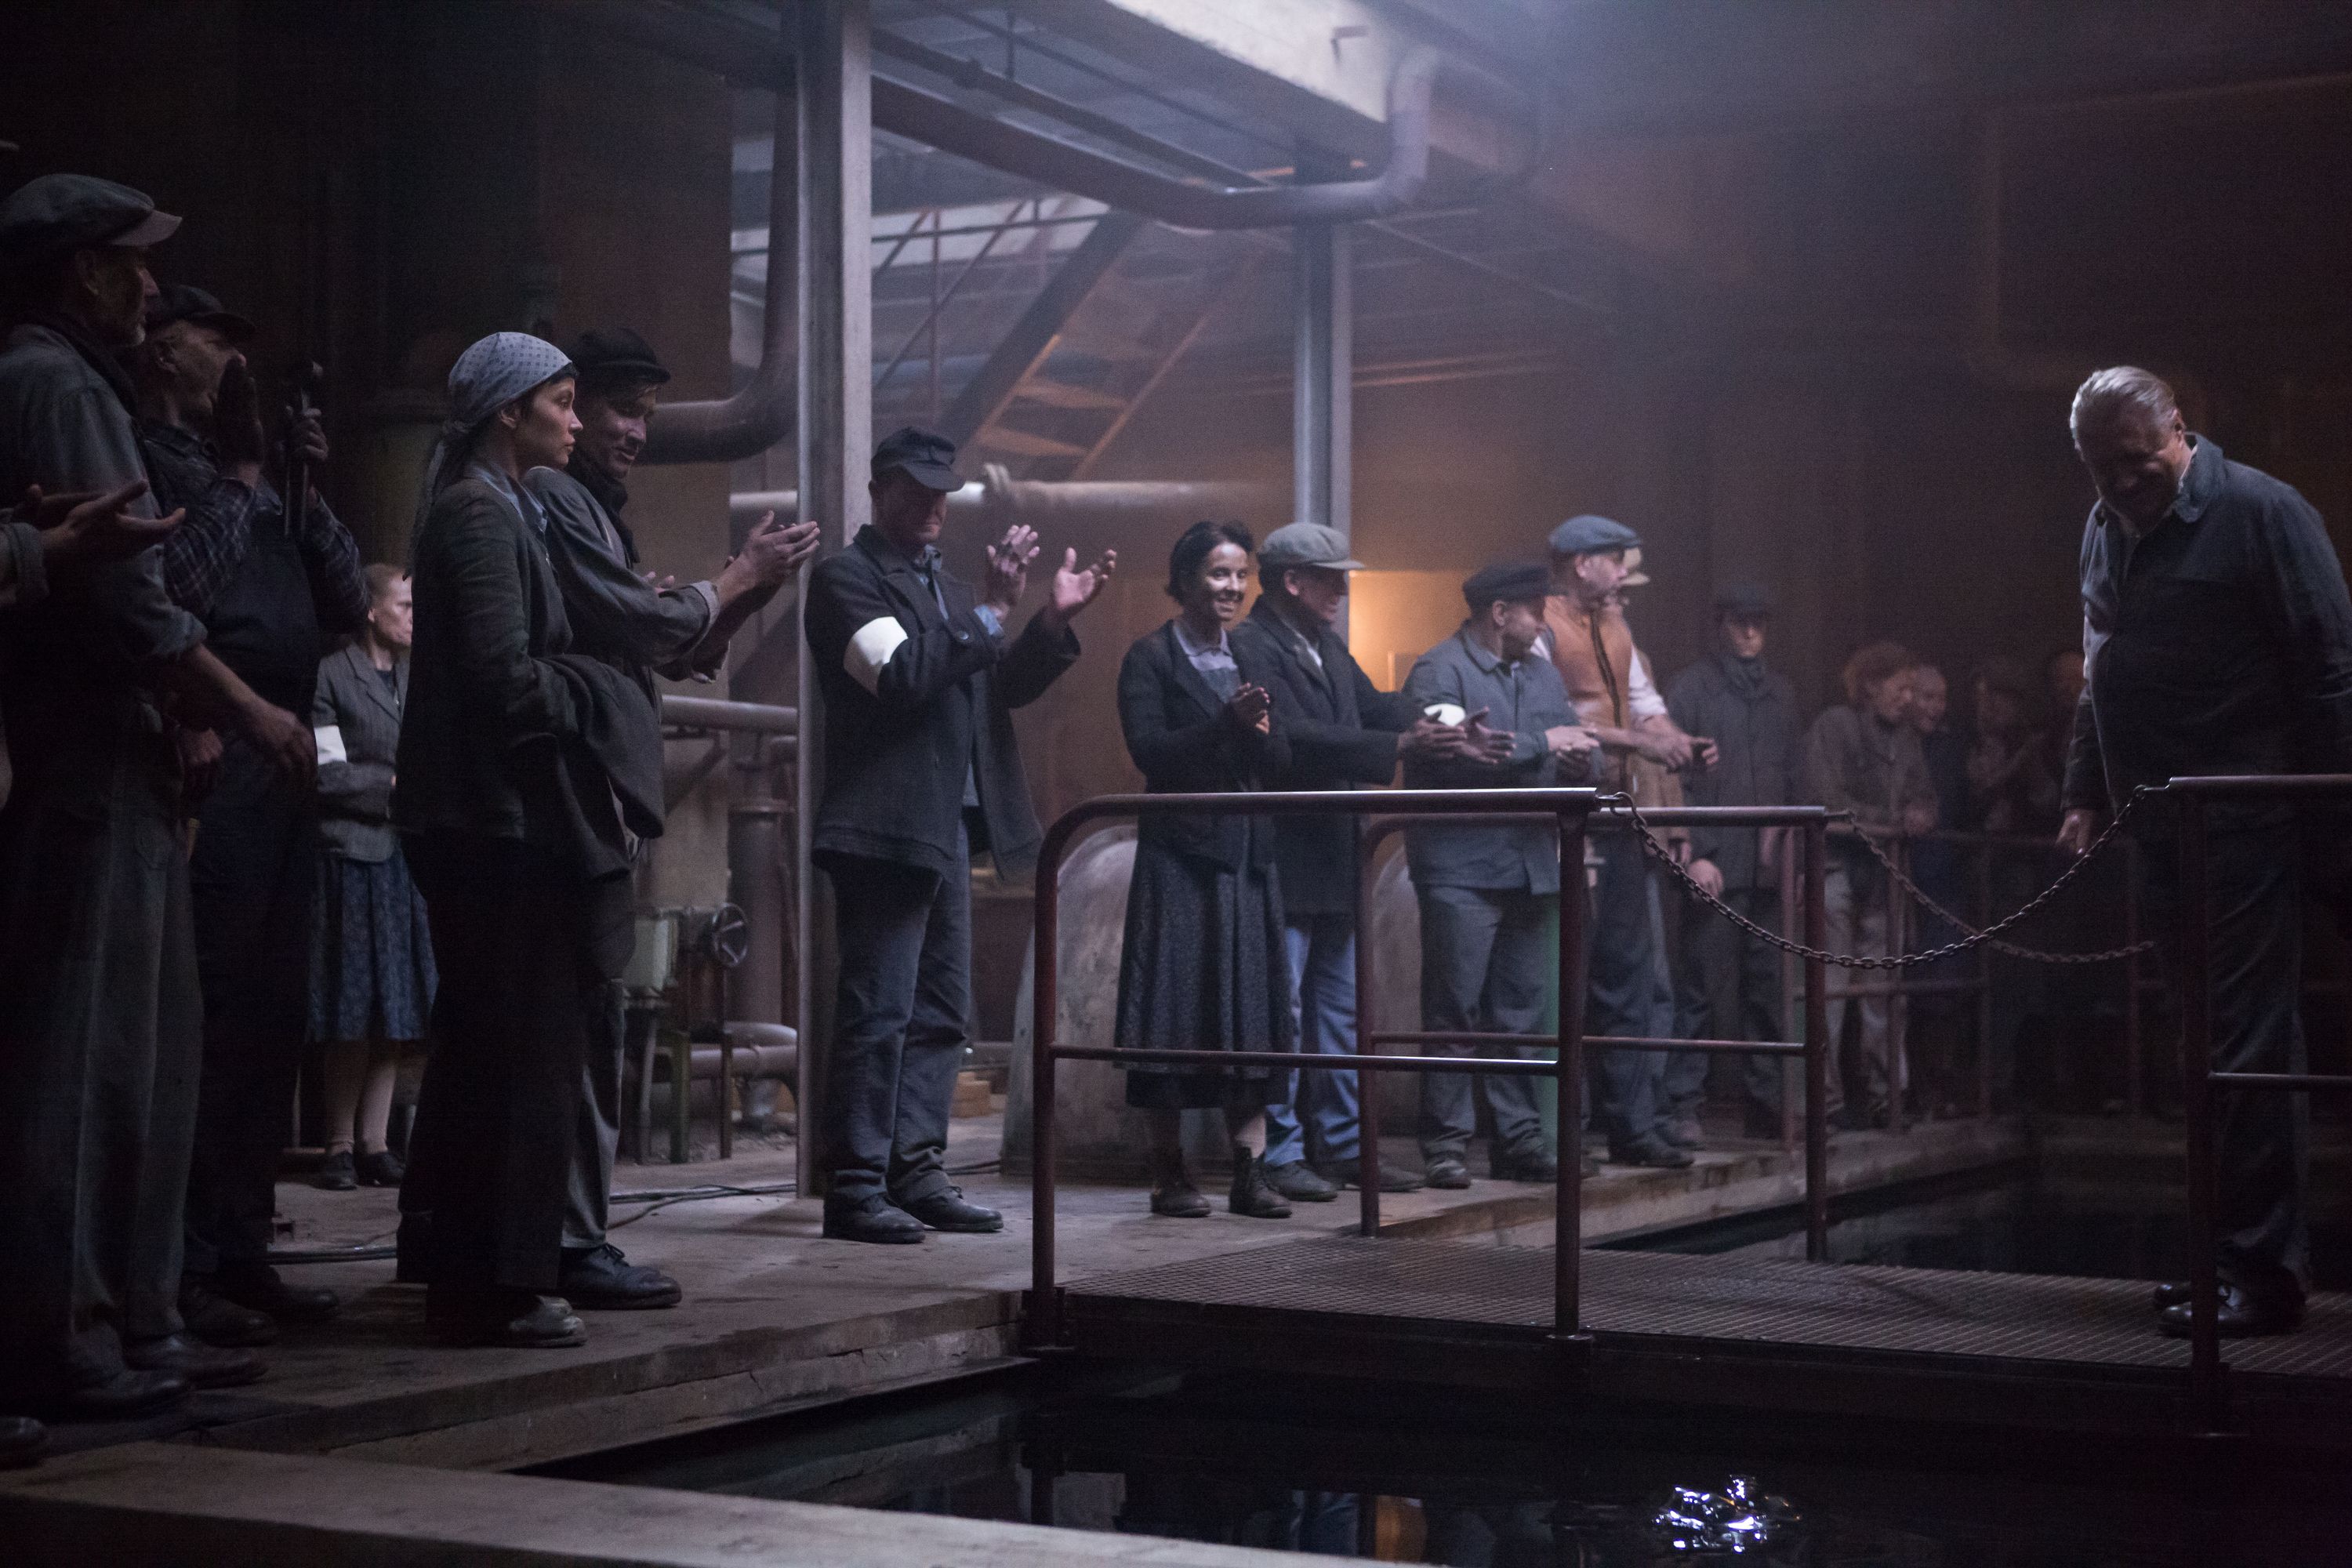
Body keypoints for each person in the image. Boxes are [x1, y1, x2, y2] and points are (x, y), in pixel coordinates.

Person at [0, 173, 314, 1416]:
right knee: (89, 1063)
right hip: (87, 753)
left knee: (146, 1057)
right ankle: (73, 1335)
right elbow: (131, 596)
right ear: (80, 269)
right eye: (131, 262)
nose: (148, 282)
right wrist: (242, 708)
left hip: (119, 749)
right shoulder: (61, 385)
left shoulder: (79, 384)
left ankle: (136, 1318)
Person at [524, 326, 816, 1308]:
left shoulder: (594, 508)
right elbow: (646, 628)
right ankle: (563, 1240)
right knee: (570, 1032)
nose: (635, 431)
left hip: (586, 795)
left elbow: (668, 645)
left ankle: (534, 1235)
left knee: (579, 1025)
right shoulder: (553, 496)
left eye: (646, 414)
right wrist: (729, 583)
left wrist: (737, 594)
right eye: (618, 409)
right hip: (555, 795)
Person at [2059, 366, 2352, 1338]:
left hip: (2249, 819)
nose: (2121, 483)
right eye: (2100, 469)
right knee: (2208, 1047)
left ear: (2178, 431)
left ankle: (2260, 1274)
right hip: (2165, 823)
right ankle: (2230, 1259)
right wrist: (2084, 789)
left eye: (2134, 462)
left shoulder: (2265, 513)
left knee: (2245, 1046)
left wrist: (2331, 826)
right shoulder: (2106, 527)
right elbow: (2101, 667)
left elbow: (2332, 672)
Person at [397, 332, 660, 1348]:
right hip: (490, 824)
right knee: (513, 1061)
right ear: (510, 411)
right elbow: (504, 679)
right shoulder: (477, 512)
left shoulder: (504, 506)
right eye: (561, 400)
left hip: (498, 821)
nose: (576, 419)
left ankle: (474, 1276)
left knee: (496, 1053)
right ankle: (492, 1288)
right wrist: (596, 686)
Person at [133, 281, 369, 1346]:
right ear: (161, 349)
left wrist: (303, 489)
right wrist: (238, 479)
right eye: (213, 338)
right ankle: (181, 1266)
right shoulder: (152, 458)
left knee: (274, 1014)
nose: (234, 358)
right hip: (215, 750)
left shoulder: (260, 477)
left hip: (285, 761)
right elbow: (177, 589)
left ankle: (242, 1246)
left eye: (241, 342)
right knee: (214, 1010)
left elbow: (346, 602)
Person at [804, 426, 1112, 1243]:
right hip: (884, 829)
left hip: (943, 829)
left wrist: (1047, 622)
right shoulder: (847, 579)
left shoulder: (946, 588)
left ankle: (916, 1172)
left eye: (942, 489)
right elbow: (901, 675)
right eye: (917, 488)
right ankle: (856, 1186)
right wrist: (993, 610)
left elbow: (992, 687)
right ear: (879, 490)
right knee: (879, 1011)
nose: (933, 503)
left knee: (942, 1012)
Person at [1230, 521, 1461, 1196]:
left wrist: (1437, 719)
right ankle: (1280, 1155)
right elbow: (1291, 734)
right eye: (1331, 579)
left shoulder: (1321, 642)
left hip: (1332, 851)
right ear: (1292, 582)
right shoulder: (1250, 645)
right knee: (1286, 1013)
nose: (1341, 590)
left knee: (1337, 1012)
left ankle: (1341, 1146)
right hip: (1286, 852)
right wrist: (1398, 747)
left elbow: (1372, 706)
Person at [1112, 521, 1297, 1218]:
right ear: (1186, 577)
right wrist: (1227, 725)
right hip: (1182, 860)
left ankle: (1250, 1173)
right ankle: (1170, 1173)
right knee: (1171, 1013)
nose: (1233, 588)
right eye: (1220, 574)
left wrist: (1258, 733)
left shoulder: (1251, 653)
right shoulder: (1151, 657)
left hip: (1246, 858)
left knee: (1250, 1017)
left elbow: (1280, 760)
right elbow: (1150, 751)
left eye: (1241, 575)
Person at [1401, 561, 1596, 1188]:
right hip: (1460, 865)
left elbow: (1572, 747)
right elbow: (1463, 756)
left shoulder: (1541, 672)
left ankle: (1518, 1140)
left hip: (1528, 863)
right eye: (1535, 610)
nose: (1543, 623)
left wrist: (1577, 761)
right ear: (1500, 613)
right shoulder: (1438, 671)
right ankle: (1447, 1144)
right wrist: (1548, 745)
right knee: (1454, 1011)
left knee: (1519, 1013)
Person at [1539, 514, 1704, 1167]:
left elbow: (1644, 701)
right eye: (1614, 560)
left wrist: (1677, 740)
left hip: (1616, 811)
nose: (1623, 574)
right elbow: (1554, 719)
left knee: (1628, 973)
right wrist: (1643, 741)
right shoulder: (1544, 625)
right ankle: (1568, 1128)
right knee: (1570, 975)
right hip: (1565, 813)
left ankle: (1632, 1125)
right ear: (1582, 564)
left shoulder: (1615, 627)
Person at [310, 565, 434, 1193]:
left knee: (395, 1004)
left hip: (405, 858)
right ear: (371, 610)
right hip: (353, 856)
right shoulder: (332, 677)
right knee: (351, 1005)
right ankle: (337, 1144)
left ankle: (375, 1144)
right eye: (404, 605)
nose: (413, 616)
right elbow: (326, 772)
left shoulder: (420, 678)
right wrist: (390, 786)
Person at [1667, 584, 1803, 1139]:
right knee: (1699, 984)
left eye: (1758, 622)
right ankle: (1682, 1104)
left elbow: (1793, 776)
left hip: (1765, 865)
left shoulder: (1781, 695)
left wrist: (1791, 854)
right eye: (1740, 622)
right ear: (1720, 624)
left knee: (1767, 988)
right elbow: (1672, 778)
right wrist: (1696, 853)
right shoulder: (1691, 689)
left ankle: (1767, 1105)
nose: (1750, 632)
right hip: (1718, 861)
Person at [1803, 641, 1937, 1130]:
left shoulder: (1907, 740)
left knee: (1883, 991)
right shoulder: (1832, 727)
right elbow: (1827, 799)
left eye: (1912, 689)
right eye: (1900, 688)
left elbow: (1924, 793)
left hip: (1884, 874)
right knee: (1830, 989)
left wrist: (1922, 811)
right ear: (1870, 686)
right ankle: (1824, 1099)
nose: (1908, 699)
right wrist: (1893, 821)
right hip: (1838, 867)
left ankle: (1886, 1095)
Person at [1906, 660, 1974, 1118]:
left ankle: (1939, 1086)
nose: (1935, 707)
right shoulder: (1894, 743)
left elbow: (1967, 806)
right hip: (1900, 877)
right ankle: (1902, 1090)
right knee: (1897, 989)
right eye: (1926, 697)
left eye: (1941, 698)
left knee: (1944, 988)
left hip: (1945, 880)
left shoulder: (1953, 750)